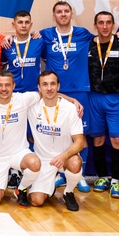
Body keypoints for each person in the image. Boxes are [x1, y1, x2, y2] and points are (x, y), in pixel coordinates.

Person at [39, 1, 100, 192]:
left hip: (80, 90)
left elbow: (103, 38)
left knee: (81, 134)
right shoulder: (45, 35)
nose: (63, 14)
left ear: (72, 14)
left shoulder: (83, 33)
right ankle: (61, 173)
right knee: (57, 131)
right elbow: (28, 42)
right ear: (54, 16)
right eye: (59, 11)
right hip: (54, 91)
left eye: (66, 11)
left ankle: (79, 174)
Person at [0, 70, 44, 211]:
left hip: (18, 153)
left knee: (35, 163)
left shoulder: (22, 99)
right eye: (0, 85)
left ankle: (21, 188)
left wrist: (72, 100)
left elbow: (47, 93)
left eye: (7, 85)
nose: (4, 89)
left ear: (13, 85)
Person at [27, 71, 86, 211]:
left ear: (58, 86)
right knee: (36, 201)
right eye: (45, 84)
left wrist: (63, 156)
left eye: (53, 84)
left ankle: (68, 192)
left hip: (64, 158)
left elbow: (80, 142)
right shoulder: (31, 106)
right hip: (43, 160)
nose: (49, 88)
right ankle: (50, 186)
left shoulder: (70, 109)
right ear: (39, 88)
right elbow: (8, 97)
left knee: (75, 162)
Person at [87, 11, 119, 198]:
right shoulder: (88, 44)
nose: (104, 26)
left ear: (114, 25)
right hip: (94, 97)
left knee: (117, 140)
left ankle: (116, 181)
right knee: (98, 139)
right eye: (101, 22)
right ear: (95, 25)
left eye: (108, 22)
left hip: (116, 98)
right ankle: (102, 177)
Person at [0, 10, 43, 93]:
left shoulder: (39, 42)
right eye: (20, 22)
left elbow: (47, 60)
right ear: (14, 25)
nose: (24, 25)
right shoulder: (7, 44)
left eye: (27, 22)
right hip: (13, 92)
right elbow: (1, 66)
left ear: (31, 25)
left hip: (34, 91)